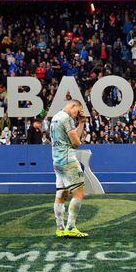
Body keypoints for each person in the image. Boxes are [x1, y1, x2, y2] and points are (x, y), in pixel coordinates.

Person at [50, 100, 88, 238]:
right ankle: (71, 227)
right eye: (77, 111)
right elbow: (76, 142)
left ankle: (60, 228)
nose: (76, 115)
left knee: (61, 194)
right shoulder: (67, 119)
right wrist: (79, 123)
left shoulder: (55, 117)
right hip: (68, 161)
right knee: (79, 193)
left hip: (57, 161)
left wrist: (81, 122)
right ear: (73, 106)